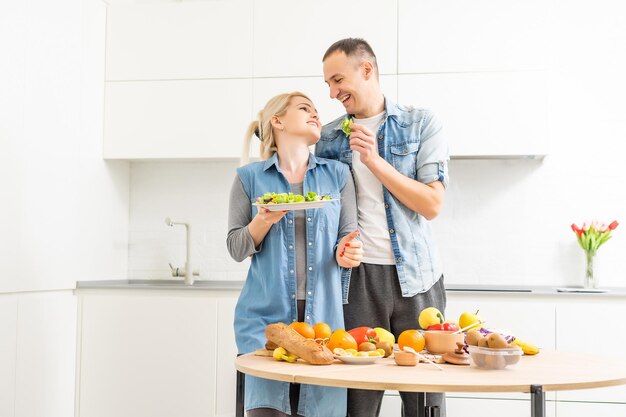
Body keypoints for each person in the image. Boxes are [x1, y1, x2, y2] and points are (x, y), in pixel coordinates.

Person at [316, 38, 450, 417]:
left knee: (425, 402)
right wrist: (340, 246)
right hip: (356, 282)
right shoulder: (328, 139)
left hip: (418, 281)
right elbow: (326, 218)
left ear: (367, 70)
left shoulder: (421, 123)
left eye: (338, 79)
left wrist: (375, 161)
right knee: (357, 404)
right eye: (327, 83)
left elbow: (432, 204)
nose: (332, 92)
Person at [227, 91, 363, 417]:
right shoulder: (249, 178)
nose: (316, 114)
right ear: (278, 121)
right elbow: (235, 248)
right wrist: (262, 221)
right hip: (264, 322)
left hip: (324, 326)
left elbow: (349, 236)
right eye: (305, 108)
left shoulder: (337, 175)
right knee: (267, 410)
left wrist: (349, 252)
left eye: (316, 110)